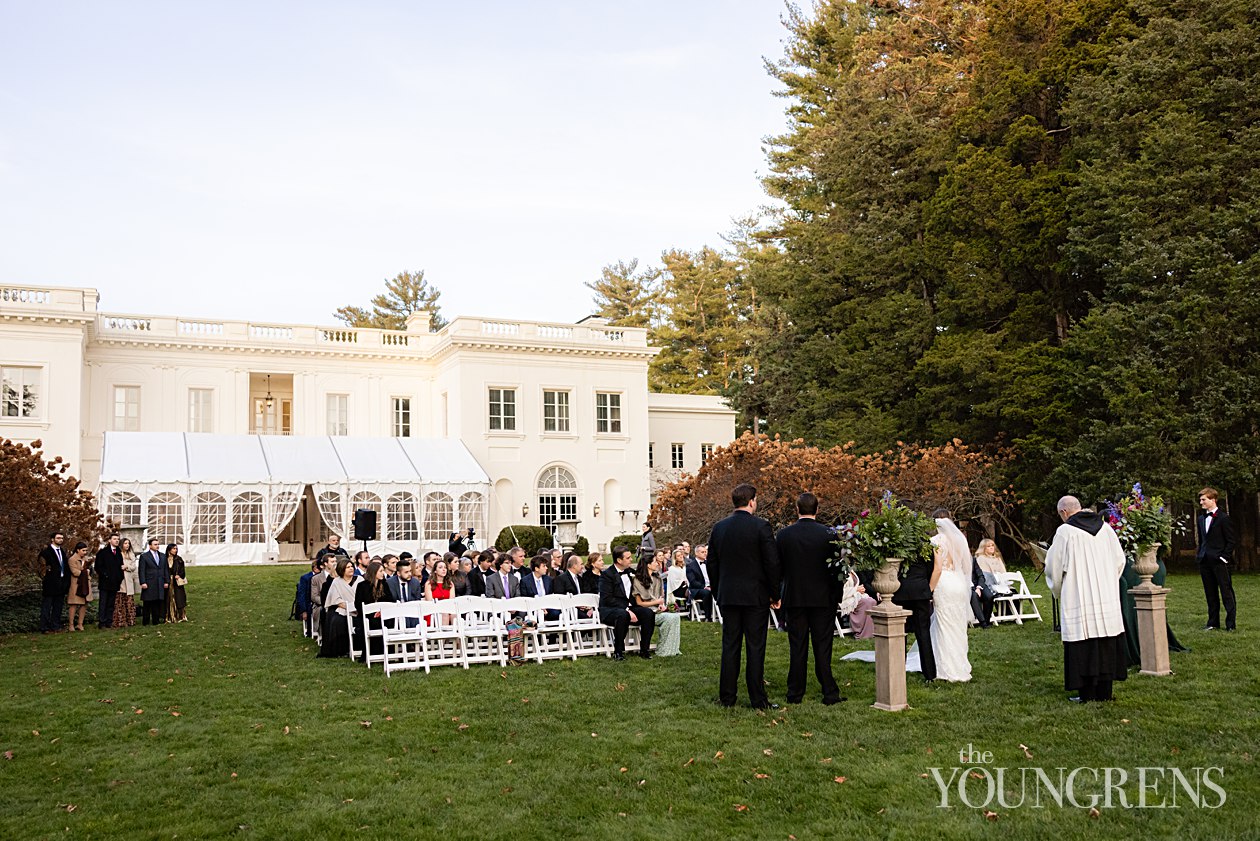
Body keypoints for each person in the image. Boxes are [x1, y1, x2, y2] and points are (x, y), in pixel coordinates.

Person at [1045, 496, 1128, 703]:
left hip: (1078, 595)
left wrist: (1058, 588)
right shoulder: (1106, 529)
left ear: (1064, 513)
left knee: (1083, 643)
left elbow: (1054, 567)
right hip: (1106, 597)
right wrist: (1108, 581)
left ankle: (1087, 693)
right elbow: (1120, 560)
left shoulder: (1065, 532)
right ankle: (1104, 693)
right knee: (1105, 642)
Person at [708, 483, 782, 708]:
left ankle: (727, 697)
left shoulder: (719, 528)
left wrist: (718, 589)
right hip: (755, 596)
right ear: (751, 501)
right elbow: (772, 563)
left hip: (729, 595)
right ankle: (758, 699)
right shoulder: (761, 527)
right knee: (755, 646)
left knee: (730, 645)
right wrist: (775, 594)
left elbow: (712, 562)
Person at [776, 493, 844, 704]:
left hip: (795, 597)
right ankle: (829, 692)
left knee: (797, 645)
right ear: (817, 509)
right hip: (823, 598)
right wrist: (837, 595)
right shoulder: (828, 534)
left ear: (797, 509)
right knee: (823, 645)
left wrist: (778, 594)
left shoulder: (784, 535)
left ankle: (795, 693)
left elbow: (778, 568)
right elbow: (838, 570)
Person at [928, 513, 972, 683]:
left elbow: (938, 568)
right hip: (959, 583)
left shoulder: (936, 540)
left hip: (944, 583)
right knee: (958, 625)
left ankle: (946, 669)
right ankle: (961, 666)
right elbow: (965, 565)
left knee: (944, 624)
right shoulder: (960, 540)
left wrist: (930, 589)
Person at [892, 530, 937, 682]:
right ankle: (929, 674)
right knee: (923, 632)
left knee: (900, 634)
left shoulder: (896, 541)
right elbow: (931, 566)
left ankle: (898, 671)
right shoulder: (925, 543)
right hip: (920, 590)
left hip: (901, 590)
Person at [599, 546, 655, 660]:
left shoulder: (630, 572)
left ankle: (644, 649)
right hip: (610, 610)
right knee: (623, 615)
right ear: (619, 560)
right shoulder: (607, 575)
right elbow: (607, 598)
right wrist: (627, 610)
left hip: (629, 607)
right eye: (628, 558)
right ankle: (618, 651)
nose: (631, 560)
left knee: (648, 613)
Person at [1196, 487, 1236, 631]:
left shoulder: (1224, 518)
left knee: (1226, 592)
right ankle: (1213, 622)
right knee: (1210, 593)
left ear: (1212, 500)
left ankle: (1230, 624)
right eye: (1200, 499)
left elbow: (1231, 541)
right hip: (1205, 561)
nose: (1201, 502)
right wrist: (1199, 554)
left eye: (1203, 499)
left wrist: (1224, 557)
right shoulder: (1201, 519)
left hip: (1219, 561)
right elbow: (1201, 540)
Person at [633, 554, 680, 657]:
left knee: (675, 616)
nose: (657, 563)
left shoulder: (657, 578)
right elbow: (639, 603)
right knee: (669, 618)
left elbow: (660, 598)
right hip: (644, 612)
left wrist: (661, 605)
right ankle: (664, 650)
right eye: (654, 561)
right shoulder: (637, 580)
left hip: (656, 609)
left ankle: (670, 649)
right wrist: (656, 603)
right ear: (648, 565)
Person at [318, 558, 357, 658]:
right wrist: (348, 607)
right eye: (347, 567)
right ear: (342, 569)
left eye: (351, 566)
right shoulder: (336, 582)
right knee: (337, 621)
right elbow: (335, 599)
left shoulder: (360, 580)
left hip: (358, 609)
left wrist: (355, 607)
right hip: (342, 609)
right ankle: (339, 650)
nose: (350, 568)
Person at [970, 539, 1008, 628]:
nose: (991, 547)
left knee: (989, 596)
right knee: (975, 596)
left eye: (992, 545)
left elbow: (980, 575)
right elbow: (986, 575)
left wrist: (979, 587)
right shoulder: (980, 559)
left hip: (982, 584)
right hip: (973, 585)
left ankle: (987, 621)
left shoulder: (973, 560)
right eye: (988, 546)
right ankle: (983, 623)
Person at [354, 561, 386, 662]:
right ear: (373, 572)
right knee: (372, 622)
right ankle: (369, 653)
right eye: (380, 571)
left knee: (384, 622)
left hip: (383, 615)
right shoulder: (362, 586)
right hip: (366, 616)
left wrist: (381, 611)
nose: (383, 573)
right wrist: (372, 612)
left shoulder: (384, 584)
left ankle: (383, 652)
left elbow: (390, 600)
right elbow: (358, 604)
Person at [39, 531, 70, 633]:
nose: (60, 540)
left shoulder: (62, 551)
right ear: (52, 539)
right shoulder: (46, 552)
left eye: (61, 538)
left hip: (61, 583)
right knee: (47, 606)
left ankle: (55, 626)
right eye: (58, 538)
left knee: (58, 606)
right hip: (50, 583)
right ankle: (44, 627)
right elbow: (42, 568)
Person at [95, 533, 124, 629]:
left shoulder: (119, 552)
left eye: (118, 539)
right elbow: (98, 567)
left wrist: (120, 577)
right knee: (103, 602)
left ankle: (109, 621)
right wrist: (106, 575)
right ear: (109, 540)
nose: (116, 541)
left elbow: (120, 566)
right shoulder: (103, 553)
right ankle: (102, 622)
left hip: (115, 582)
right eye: (114, 539)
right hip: (105, 582)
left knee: (111, 603)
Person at [138, 537, 169, 626]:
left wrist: (166, 581)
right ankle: (146, 621)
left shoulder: (162, 556)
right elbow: (141, 570)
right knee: (147, 602)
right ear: (150, 546)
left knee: (157, 602)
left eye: (158, 544)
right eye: (155, 544)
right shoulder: (144, 556)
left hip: (159, 582)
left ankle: (156, 620)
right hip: (149, 582)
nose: (157, 546)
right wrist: (143, 582)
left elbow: (165, 569)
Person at [838, 568, 876, 639]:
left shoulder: (850, 569)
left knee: (872, 601)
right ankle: (860, 632)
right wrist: (855, 589)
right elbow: (840, 590)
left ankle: (870, 631)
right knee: (866, 602)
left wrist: (859, 589)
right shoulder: (841, 571)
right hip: (844, 599)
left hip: (854, 595)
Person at [65, 542, 93, 631]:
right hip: (76, 584)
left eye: (86, 550)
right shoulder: (72, 559)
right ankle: (71, 625)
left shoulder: (86, 559)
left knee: (84, 604)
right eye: (83, 550)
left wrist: (88, 573)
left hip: (85, 584)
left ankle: (80, 624)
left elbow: (90, 570)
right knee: (74, 604)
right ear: (78, 550)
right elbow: (75, 572)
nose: (85, 552)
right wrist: (85, 572)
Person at [114, 536, 138, 628]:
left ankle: (130, 620)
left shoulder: (131, 554)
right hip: (120, 580)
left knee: (129, 601)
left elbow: (133, 567)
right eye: (125, 543)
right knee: (120, 601)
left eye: (128, 543)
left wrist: (126, 566)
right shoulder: (118, 554)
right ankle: (120, 621)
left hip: (129, 580)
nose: (127, 545)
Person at [686, 543, 714, 621]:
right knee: (706, 593)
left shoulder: (709, 564)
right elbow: (693, 581)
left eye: (705, 552)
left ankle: (721, 614)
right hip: (697, 589)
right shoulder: (690, 566)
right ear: (696, 553)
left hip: (711, 586)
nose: (705, 553)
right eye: (702, 552)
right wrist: (704, 587)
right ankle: (708, 617)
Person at [164, 544, 188, 623]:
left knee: (179, 597)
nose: (175, 550)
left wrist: (179, 575)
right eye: (174, 548)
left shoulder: (179, 559)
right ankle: (170, 616)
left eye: (176, 549)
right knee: (169, 598)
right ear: (169, 549)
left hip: (176, 582)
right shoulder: (164, 559)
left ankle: (181, 615)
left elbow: (183, 571)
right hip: (168, 581)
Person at [296, 560, 319, 637]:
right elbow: (301, 595)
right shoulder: (305, 578)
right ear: (315, 568)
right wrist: (304, 610)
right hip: (309, 603)